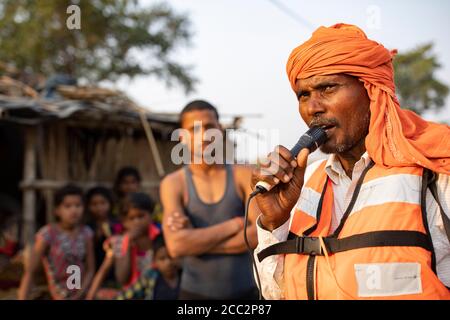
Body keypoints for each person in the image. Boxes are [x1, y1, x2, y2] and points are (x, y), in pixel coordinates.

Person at [251, 23, 450, 300]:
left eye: (328, 88)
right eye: (303, 95)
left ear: (372, 90)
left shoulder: (434, 176)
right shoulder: (306, 180)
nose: (312, 108)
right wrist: (275, 224)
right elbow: (274, 294)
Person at [160, 100, 259, 300]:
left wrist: (196, 243)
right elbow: (176, 246)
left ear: (220, 130)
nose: (203, 136)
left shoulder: (244, 175)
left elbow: (260, 234)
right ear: (181, 137)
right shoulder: (174, 183)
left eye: (209, 127)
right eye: (193, 130)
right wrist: (235, 225)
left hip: (246, 296)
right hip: (193, 297)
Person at [18, 184, 95, 300]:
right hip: (60, 293)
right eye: (68, 206)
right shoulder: (48, 234)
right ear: (57, 210)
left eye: (78, 205)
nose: (74, 210)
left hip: (83, 291)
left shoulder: (86, 233)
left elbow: (90, 269)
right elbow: (30, 271)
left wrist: (80, 294)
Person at [86, 192, 160, 299]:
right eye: (132, 218)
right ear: (124, 222)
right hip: (131, 294)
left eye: (141, 216)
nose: (137, 222)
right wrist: (127, 244)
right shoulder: (119, 242)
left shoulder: (160, 236)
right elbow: (121, 278)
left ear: (151, 215)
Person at [116, 233, 181, 300]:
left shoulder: (185, 275)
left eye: (172, 257)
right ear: (154, 260)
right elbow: (126, 295)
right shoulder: (150, 276)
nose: (168, 263)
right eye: (162, 259)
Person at [85, 186, 123, 284]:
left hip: (116, 266)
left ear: (110, 204)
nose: (99, 208)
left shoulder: (117, 223)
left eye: (103, 203)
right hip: (96, 266)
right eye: (94, 204)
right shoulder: (88, 227)